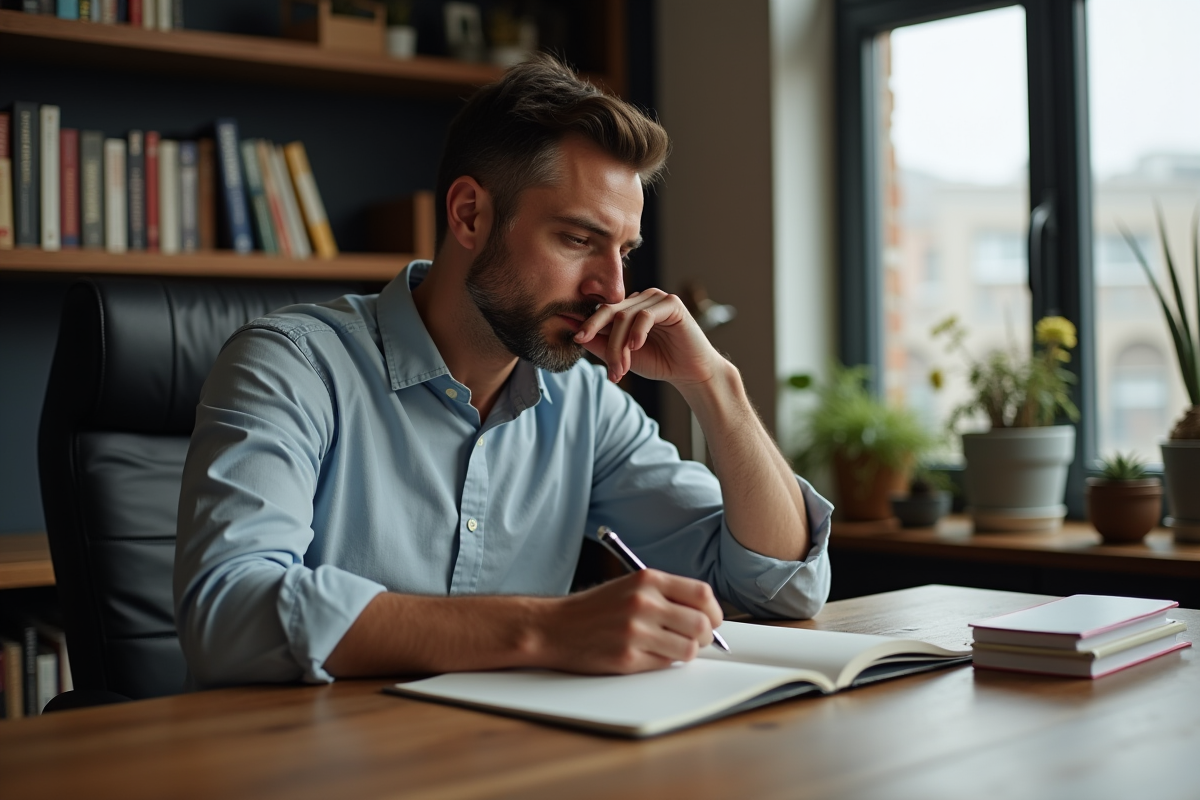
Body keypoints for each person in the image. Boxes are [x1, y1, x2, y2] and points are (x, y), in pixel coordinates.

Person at [174, 55, 832, 688]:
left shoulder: (584, 404)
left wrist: (714, 384)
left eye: (623, 251)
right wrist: (545, 629)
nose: (612, 287)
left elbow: (779, 584)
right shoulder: (292, 365)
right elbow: (229, 612)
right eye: (578, 239)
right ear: (470, 215)